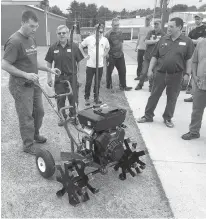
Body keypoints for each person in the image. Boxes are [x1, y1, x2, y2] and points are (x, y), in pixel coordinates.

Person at [1, 10, 61, 155]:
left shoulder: (31, 39)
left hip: (34, 84)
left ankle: (35, 135)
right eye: (31, 26)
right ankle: (28, 145)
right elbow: (4, 64)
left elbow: (33, 61)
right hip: (20, 86)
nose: (34, 30)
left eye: (36, 27)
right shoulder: (14, 41)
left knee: (39, 111)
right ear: (23, 23)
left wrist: (50, 69)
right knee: (26, 115)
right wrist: (25, 74)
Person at [137, 17, 194, 128]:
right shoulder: (163, 39)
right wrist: (149, 70)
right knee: (154, 95)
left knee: (172, 98)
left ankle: (167, 118)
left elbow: (189, 59)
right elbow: (154, 56)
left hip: (176, 75)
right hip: (160, 73)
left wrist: (187, 74)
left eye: (172, 26)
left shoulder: (187, 41)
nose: (168, 28)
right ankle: (148, 116)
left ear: (179, 28)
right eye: (168, 26)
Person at [45, 25, 84, 126]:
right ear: (57, 35)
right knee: (60, 99)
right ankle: (62, 117)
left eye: (64, 33)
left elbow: (80, 62)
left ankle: (73, 116)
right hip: (59, 78)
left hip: (72, 78)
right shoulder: (53, 47)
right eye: (59, 33)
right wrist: (49, 76)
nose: (61, 35)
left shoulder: (74, 46)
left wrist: (79, 77)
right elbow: (49, 62)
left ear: (67, 34)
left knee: (73, 98)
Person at [79, 23, 110, 106]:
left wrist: (105, 54)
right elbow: (80, 46)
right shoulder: (89, 39)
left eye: (101, 32)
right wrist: (84, 55)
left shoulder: (104, 40)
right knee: (88, 82)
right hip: (90, 65)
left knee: (97, 82)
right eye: (98, 31)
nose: (100, 33)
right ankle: (87, 98)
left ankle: (96, 98)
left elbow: (108, 47)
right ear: (94, 31)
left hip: (99, 66)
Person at [182, 39, 206, 140]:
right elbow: (194, 61)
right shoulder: (201, 43)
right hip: (201, 83)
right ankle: (194, 132)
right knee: (197, 110)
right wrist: (195, 76)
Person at [135, 19, 165, 91]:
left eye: (157, 24)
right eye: (154, 24)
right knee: (144, 72)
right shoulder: (150, 32)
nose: (155, 25)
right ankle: (140, 84)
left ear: (161, 25)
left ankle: (151, 86)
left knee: (153, 72)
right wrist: (155, 41)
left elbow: (163, 45)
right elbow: (145, 41)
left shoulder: (163, 34)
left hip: (156, 58)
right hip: (148, 56)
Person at [105, 17, 132, 91]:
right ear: (112, 25)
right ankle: (109, 86)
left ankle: (123, 86)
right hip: (111, 56)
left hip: (120, 55)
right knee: (109, 71)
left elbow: (121, 42)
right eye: (115, 25)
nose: (116, 26)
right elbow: (104, 45)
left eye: (118, 25)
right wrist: (106, 54)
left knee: (123, 71)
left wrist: (122, 52)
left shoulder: (120, 32)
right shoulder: (107, 34)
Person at [184, 13, 206, 103]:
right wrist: (196, 41)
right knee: (194, 75)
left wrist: (195, 41)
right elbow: (188, 40)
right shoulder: (192, 31)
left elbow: (202, 41)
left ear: (202, 19)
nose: (197, 20)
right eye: (196, 19)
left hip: (203, 55)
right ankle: (194, 95)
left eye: (198, 19)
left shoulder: (205, 29)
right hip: (195, 54)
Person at [134, 15, 153, 80]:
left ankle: (145, 77)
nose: (147, 21)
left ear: (150, 20)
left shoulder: (152, 29)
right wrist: (136, 46)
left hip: (147, 49)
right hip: (140, 48)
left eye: (148, 20)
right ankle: (139, 75)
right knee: (139, 62)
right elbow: (139, 38)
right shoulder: (141, 28)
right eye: (146, 19)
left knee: (146, 63)